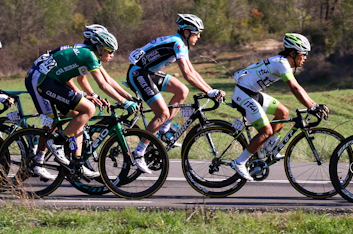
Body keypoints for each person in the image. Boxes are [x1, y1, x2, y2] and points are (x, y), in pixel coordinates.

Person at [26, 25, 138, 180]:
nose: (112, 55)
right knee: (76, 113)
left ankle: (77, 162)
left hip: (55, 81)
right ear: (100, 48)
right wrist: (124, 102)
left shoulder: (89, 54)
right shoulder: (88, 55)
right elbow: (102, 84)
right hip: (43, 81)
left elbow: (107, 80)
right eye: (110, 51)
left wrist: (128, 97)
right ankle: (50, 149)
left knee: (80, 117)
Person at [127, 13, 224, 173]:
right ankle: (139, 153)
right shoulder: (178, 43)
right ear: (187, 32)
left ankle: (163, 130)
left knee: (182, 90)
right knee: (162, 113)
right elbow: (186, 74)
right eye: (196, 33)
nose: (199, 37)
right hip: (138, 73)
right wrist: (209, 92)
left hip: (148, 72)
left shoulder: (181, 44)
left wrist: (210, 90)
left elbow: (192, 71)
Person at [229, 33, 329, 181]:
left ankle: (266, 148)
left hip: (252, 92)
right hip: (243, 94)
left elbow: (298, 87)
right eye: (303, 54)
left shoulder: (282, 61)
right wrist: (311, 107)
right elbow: (294, 88)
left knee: (283, 112)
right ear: (293, 53)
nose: (306, 58)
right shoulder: (281, 64)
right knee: (266, 131)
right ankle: (240, 162)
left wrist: (314, 105)